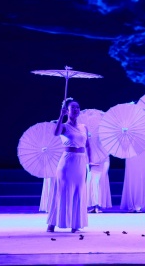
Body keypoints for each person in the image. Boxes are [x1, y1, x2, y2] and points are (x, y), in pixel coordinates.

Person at [46, 98, 90, 233]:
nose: (76, 109)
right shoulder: (64, 126)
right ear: (67, 110)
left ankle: (75, 224)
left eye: (78, 107)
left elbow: (87, 144)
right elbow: (56, 133)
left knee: (78, 190)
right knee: (62, 190)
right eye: (73, 107)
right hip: (68, 161)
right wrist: (61, 116)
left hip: (81, 161)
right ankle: (52, 223)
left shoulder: (84, 127)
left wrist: (89, 161)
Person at [86, 129, 112, 213]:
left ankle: (98, 204)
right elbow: (86, 148)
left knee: (99, 182)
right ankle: (93, 205)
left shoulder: (105, 135)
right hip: (92, 160)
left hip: (103, 160)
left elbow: (108, 149)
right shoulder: (89, 134)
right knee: (92, 183)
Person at [120, 144, 145, 213]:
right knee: (131, 178)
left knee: (141, 178)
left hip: (143, 151)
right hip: (131, 151)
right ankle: (131, 204)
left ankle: (139, 205)